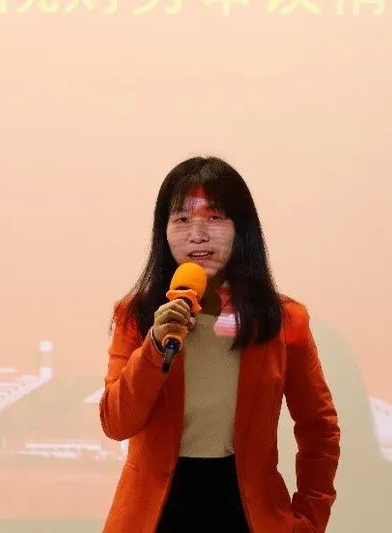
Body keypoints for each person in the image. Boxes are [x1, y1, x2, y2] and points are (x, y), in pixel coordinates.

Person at [99, 156, 340, 533]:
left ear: (241, 228)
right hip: (154, 517)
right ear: (163, 231)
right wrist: (155, 346)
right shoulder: (137, 315)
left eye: (214, 217)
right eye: (182, 219)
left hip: (249, 515)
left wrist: (311, 518)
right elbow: (116, 423)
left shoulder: (284, 321)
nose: (197, 234)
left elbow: (319, 429)